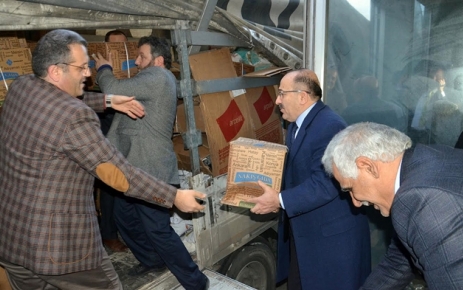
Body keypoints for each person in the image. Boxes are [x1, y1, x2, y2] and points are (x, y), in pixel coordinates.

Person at [0, 29, 206, 290]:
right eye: (82, 67)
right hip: (60, 251)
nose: (88, 73)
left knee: (148, 226)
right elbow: (117, 175)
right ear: (55, 72)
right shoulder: (74, 116)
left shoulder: (21, 87)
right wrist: (174, 197)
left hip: (12, 243)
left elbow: (61, 97)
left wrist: (108, 100)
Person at [93, 35, 209, 290]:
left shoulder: (158, 76)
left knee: (157, 230)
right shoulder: (148, 80)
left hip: (151, 170)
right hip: (134, 168)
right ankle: (152, 260)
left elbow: (112, 87)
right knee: (124, 217)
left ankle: (197, 282)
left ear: (158, 60)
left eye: (141, 56)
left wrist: (103, 69)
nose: (136, 61)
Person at [248, 69, 371, 290]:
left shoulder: (330, 126)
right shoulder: (295, 123)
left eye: (282, 94)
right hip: (305, 230)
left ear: (302, 96)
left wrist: (280, 200)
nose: (277, 101)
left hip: (329, 238)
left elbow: (327, 183)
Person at [322, 122, 463, 290]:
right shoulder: (423, 158)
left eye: (351, 188)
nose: (356, 202)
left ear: (367, 167)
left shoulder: (417, 199)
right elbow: (398, 263)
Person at [95, 29, 129, 253]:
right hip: (107, 123)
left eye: (122, 47)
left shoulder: (134, 69)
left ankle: (125, 229)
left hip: (129, 124)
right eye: (113, 47)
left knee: (128, 180)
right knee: (110, 181)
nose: (118, 52)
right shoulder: (96, 71)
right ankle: (108, 234)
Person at [341, 75, 408, 133]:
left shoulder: (349, 112)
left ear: (359, 93)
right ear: (377, 91)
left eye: (355, 92)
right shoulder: (395, 110)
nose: (353, 95)